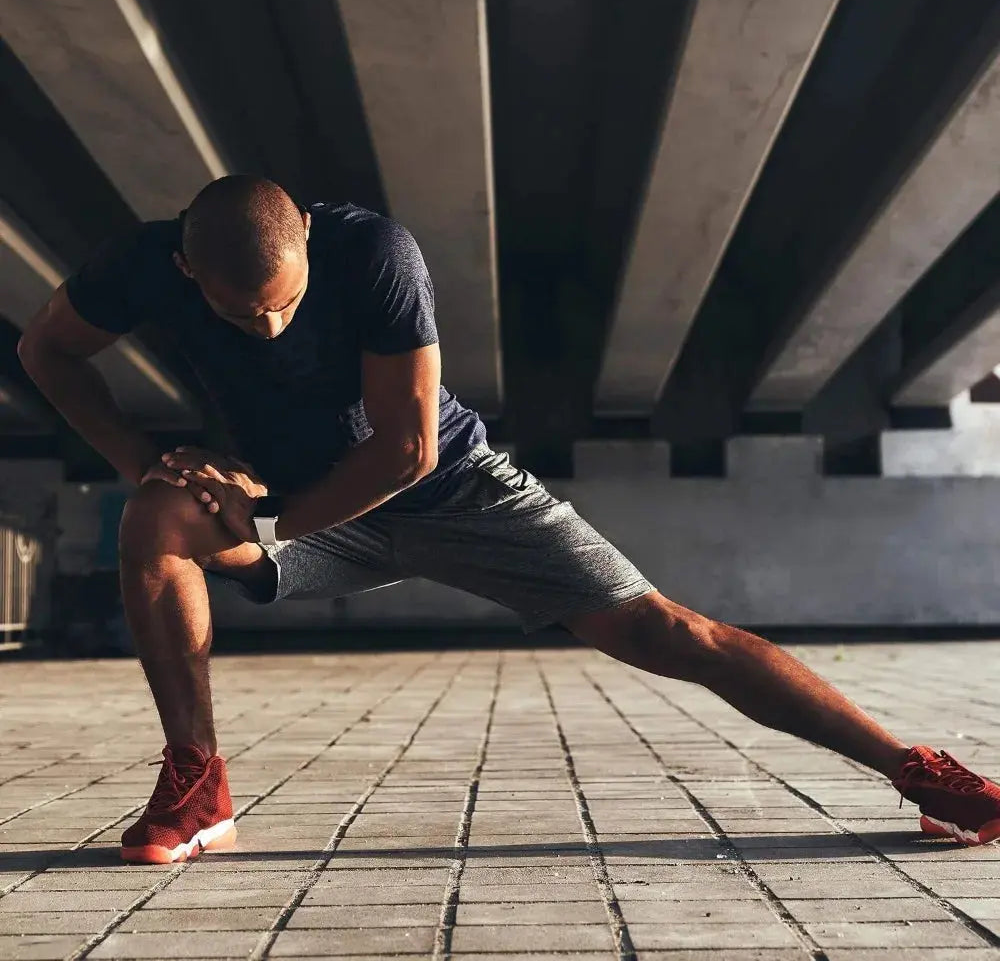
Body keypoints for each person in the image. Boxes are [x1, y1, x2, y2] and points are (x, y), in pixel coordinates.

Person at [18, 176, 1000, 864]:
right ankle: (198, 782)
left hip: (450, 487)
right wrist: (148, 462)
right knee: (152, 519)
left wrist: (272, 531)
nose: (269, 329)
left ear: (308, 244)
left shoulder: (373, 252)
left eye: (285, 307)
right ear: (190, 276)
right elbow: (47, 350)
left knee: (671, 631)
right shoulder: (147, 263)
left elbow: (407, 449)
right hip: (280, 493)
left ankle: (918, 774)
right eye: (243, 317)